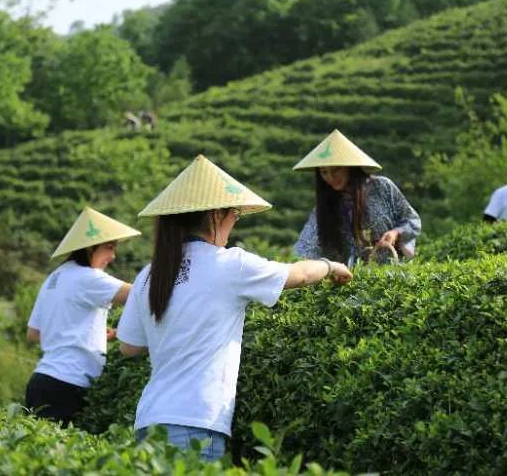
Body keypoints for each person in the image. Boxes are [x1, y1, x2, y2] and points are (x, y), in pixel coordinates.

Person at [116, 155, 352, 461]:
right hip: (196, 421)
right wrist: (331, 264)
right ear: (216, 215)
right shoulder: (229, 265)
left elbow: (129, 347)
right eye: (234, 214)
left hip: (148, 421)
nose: (234, 222)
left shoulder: (150, 274)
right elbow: (300, 274)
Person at [25, 207, 141, 426]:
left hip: (41, 382)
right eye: (109, 247)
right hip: (67, 385)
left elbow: (33, 333)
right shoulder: (87, 277)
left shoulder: (54, 277)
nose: (112, 256)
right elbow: (140, 294)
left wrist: (88, 335)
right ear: (90, 248)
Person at [292, 129, 421, 265]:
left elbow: (412, 221)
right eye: (324, 172)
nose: (330, 177)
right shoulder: (324, 207)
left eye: (336, 170)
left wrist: (396, 233)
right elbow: (305, 246)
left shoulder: (382, 187)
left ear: (350, 167)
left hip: (391, 276)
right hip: (353, 280)